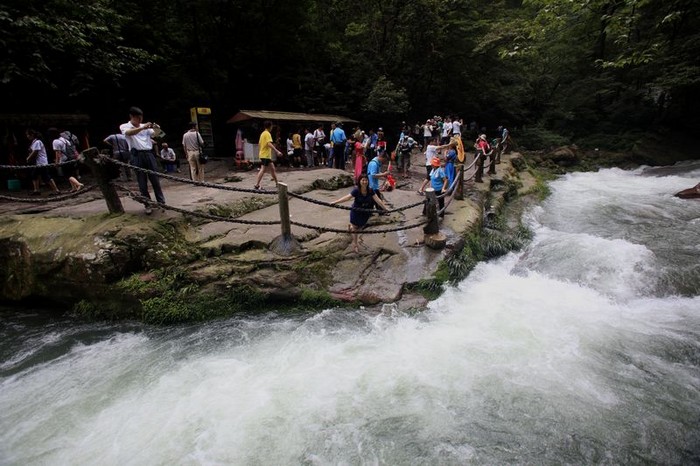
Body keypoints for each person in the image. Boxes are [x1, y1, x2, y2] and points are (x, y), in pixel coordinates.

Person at [120, 106, 165, 214]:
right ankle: (147, 204)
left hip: (149, 153)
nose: (140, 120)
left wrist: (156, 128)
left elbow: (161, 135)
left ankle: (161, 202)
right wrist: (143, 128)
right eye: (137, 118)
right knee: (142, 181)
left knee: (155, 179)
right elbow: (129, 133)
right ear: (131, 116)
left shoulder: (145, 127)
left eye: (141, 117)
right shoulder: (125, 126)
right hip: (136, 155)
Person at [331, 173, 389, 253]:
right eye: (363, 180)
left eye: (366, 180)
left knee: (359, 227)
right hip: (356, 211)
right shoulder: (356, 190)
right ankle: (355, 245)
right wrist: (335, 202)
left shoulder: (370, 190)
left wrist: (385, 209)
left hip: (365, 213)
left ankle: (351, 227)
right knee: (355, 228)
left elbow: (378, 200)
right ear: (359, 181)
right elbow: (347, 197)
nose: (364, 182)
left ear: (368, 181)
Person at [25, 129, 60, 195]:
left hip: (41, 162)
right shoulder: (34, 142)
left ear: (32, 135)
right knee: (35, 175)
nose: (27, 136)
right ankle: (36, 190)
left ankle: (56, 190)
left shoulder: (37, 142)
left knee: (46, 176)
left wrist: (28, 158)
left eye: (28, 135)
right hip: (39, 162)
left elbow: (35, 151)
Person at [254, 120, 282, 190]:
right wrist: (277, 151)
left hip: (264, 154)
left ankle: (277, 183)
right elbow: (269, 144)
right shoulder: (267, 134)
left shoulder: (262, 134)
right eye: (272, 126)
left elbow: (259, 144)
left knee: (272, 169)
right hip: (265, 155)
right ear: (270, 126)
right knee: (263, 169)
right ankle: (257, 185)